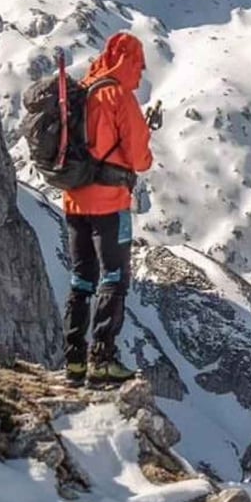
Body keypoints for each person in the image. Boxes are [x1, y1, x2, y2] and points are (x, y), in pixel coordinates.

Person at [63, 32, 161, 385]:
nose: (141, 73)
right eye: (140, 66)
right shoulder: (119, 96)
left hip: (74, 199)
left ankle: (73, 360)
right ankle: (102, 360)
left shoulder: (83, 89)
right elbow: (140, 158)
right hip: (110, 203)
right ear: (129, 62)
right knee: (114, 278)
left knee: (80, 279)